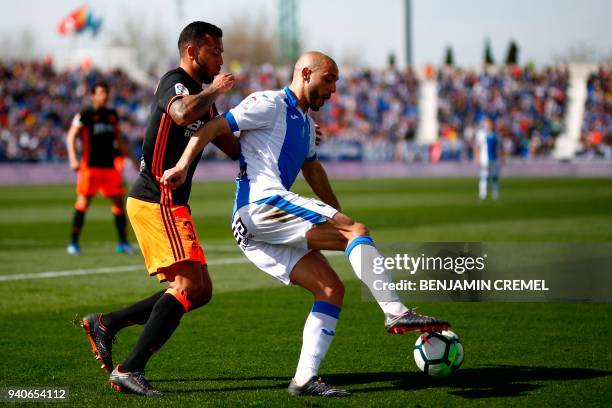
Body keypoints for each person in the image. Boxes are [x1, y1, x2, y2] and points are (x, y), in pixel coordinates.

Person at [161, 51, 450, 397]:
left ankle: (304, 379)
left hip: (253, 227)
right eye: (329, 79)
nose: (333, 89)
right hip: (261, 204)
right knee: (355, 232)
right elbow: (212, 126)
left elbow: (313, 170)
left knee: (331, 287)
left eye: (336, 82)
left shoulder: (305, 125)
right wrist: (180, 166)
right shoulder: (268, 103)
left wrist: (339, 218)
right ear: (306, 73)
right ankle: (395, 311)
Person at [81, 21, 238, 396]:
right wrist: (214, 91)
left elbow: (232, 147)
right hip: (157, 196)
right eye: (214, 51)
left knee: (199, 291)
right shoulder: (176, 82)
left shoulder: (203, 96)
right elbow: (181, 114)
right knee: (187, 285)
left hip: (170, 202)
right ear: (192, 52)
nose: (221, 58)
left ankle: (108, 323)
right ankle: (129, 368)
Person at [66, 81, 140, 255]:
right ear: (93, 95)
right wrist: (73, 158)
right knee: (83, 202)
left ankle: (123, 243)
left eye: (106, 92)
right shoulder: (85, 114)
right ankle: (73, 243)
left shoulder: (112, 115)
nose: (104, 96)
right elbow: (71, 137)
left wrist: (133, 159)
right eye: (100, 93)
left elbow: (119, 141)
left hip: (110, 167)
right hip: (90, 167)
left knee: (119, 203)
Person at [474, 116, 503, 200]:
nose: (490, 125)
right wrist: (476, 157)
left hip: (494, 159)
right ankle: (483, 195)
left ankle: (495, 194)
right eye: (488, 123)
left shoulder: (496, 135)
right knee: (484, 176)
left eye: (491, 123)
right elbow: (477, 146)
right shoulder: (481, 134)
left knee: (495, 177)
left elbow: (499, 147)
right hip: (484, 159)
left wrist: (502, 158)